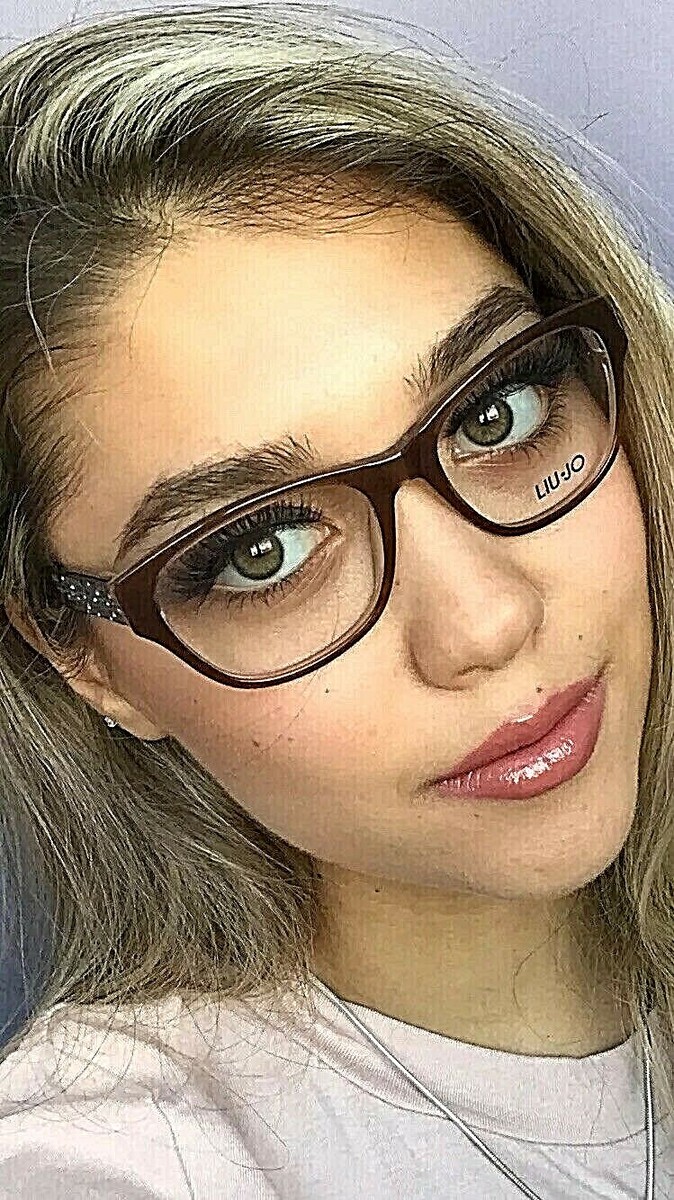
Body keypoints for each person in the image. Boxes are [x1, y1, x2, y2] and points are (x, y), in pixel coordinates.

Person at [0, 4, 672, 1197]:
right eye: (260, 551)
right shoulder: (115, 1165)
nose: (483, 624)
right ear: (82, 658)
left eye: (497, 412)